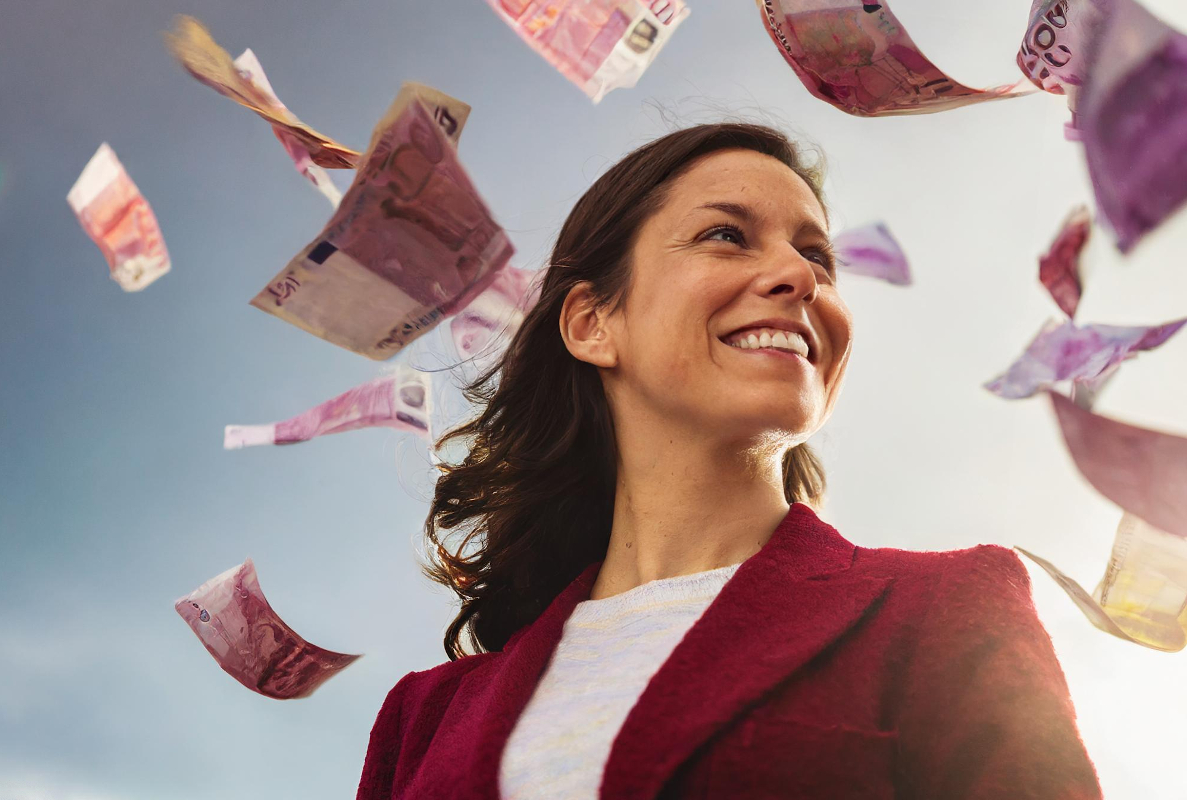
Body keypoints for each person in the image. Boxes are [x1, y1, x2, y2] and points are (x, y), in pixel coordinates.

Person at [357, 123, 1102, 800]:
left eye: (817, 256)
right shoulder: (422, 717)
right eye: (726, 235)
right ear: (592, 323)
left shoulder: (945, 606)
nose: (800, 276)